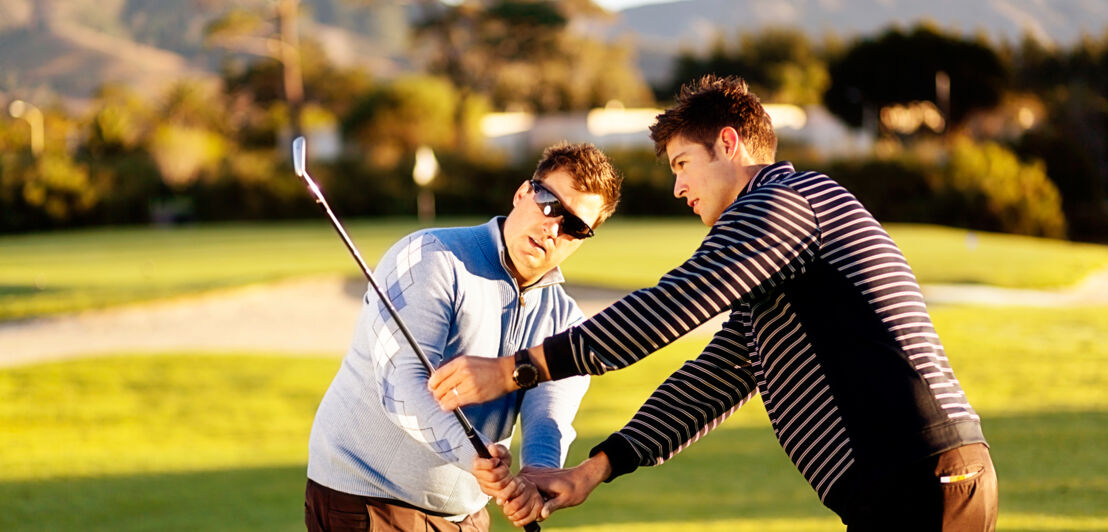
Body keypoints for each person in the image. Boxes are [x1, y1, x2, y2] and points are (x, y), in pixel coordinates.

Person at [429, 75, 998, 531]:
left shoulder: (785, 203)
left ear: (728, 144)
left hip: (917, 480)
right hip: (905, 485)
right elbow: (717, 377)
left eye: (682, 164)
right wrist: (595, 470)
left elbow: (673, 304)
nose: (678, 187)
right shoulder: (778, 258)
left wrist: (514, 370)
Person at [305, 142, 623, 532]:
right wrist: (470, 457)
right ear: (523, 193)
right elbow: (401, 388)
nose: (553, 228)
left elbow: (549, 415)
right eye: (549, 204)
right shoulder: (431, 256)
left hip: (466, 516)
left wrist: (536, 480)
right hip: (368, 500)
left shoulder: (564, 320)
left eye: (574, 226)